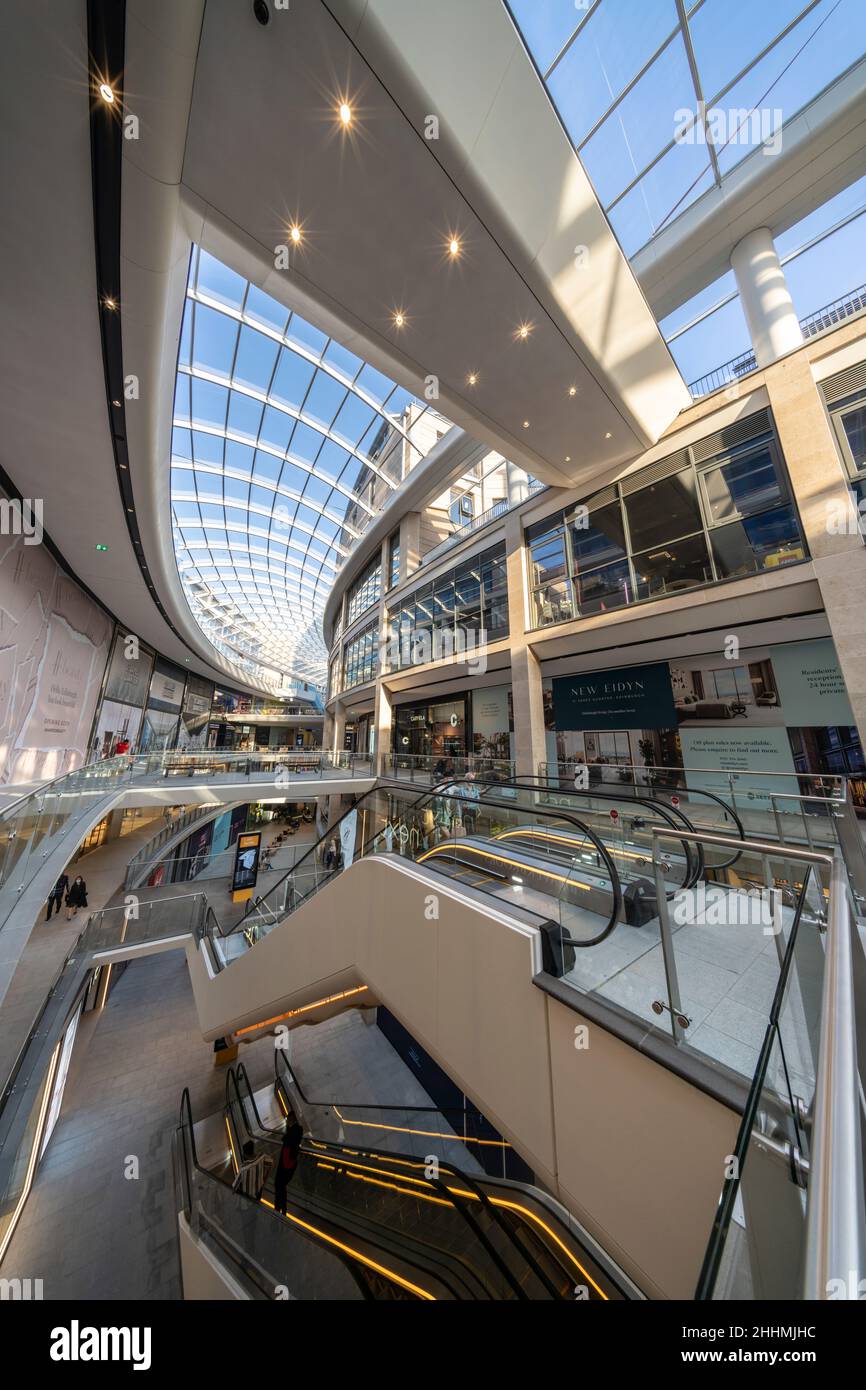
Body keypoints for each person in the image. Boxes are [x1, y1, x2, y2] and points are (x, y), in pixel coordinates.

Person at [273, 1116, 304, 1214]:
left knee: (279, 1185)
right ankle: (283, 1210)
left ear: (291, 1120)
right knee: (282, 1186)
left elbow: (286, 1155)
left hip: (286, 1164)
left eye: (287, 1120)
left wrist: (287, 1164)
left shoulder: (290, 1135)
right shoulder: (298, 1131)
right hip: (292, 1163)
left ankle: (279, 1209)